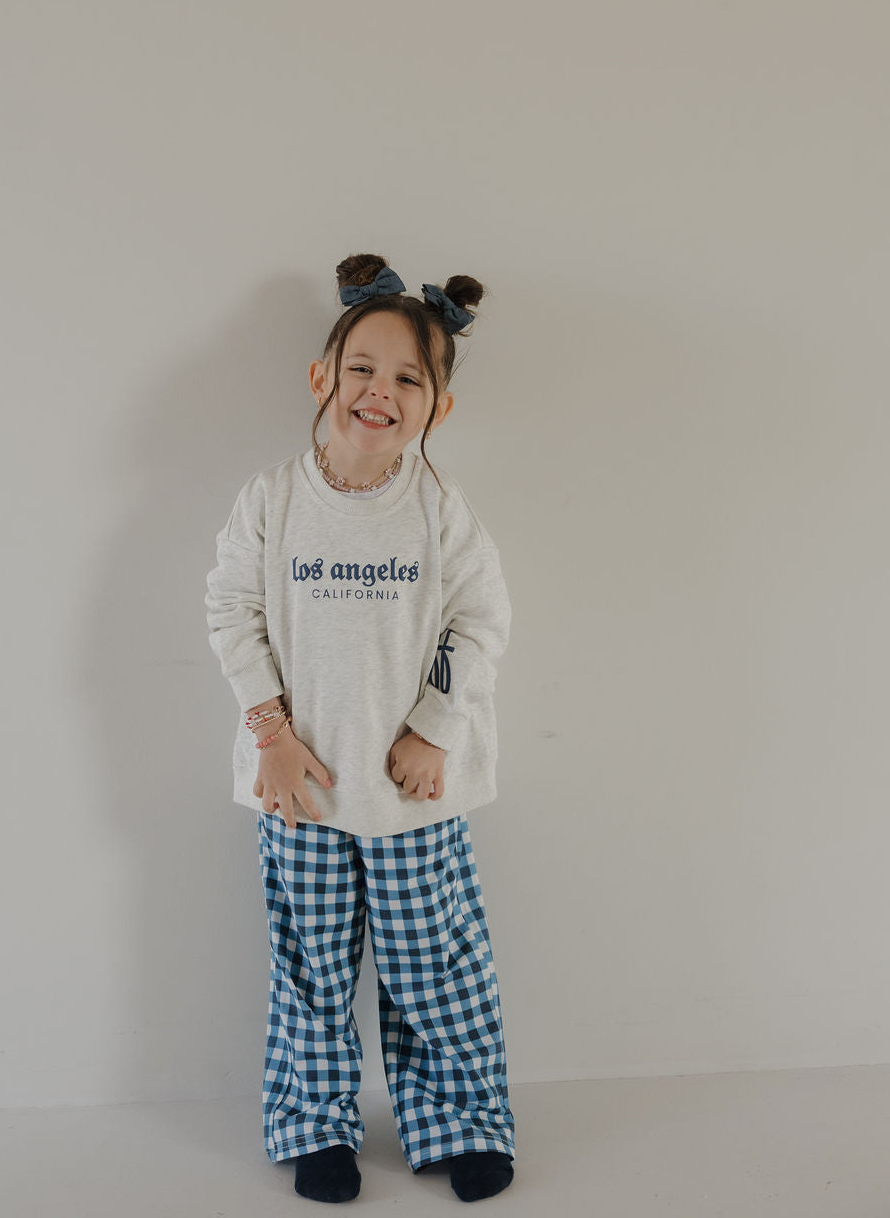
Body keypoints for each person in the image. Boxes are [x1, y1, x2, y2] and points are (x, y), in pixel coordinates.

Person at [204, 253, 516, 1204]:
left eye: (409, 379)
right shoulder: (272, 500)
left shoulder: (440, 510)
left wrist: (435, 727)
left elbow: (481, 621)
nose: (382, 391)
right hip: (298, 786)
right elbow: (231, 612)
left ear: (437, 409)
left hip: (413, 791)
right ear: (322, 379)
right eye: (363, 369)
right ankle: (316, 1126)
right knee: (310, 967)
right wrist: (271, 732)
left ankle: (461, 1123)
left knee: (434, 966)